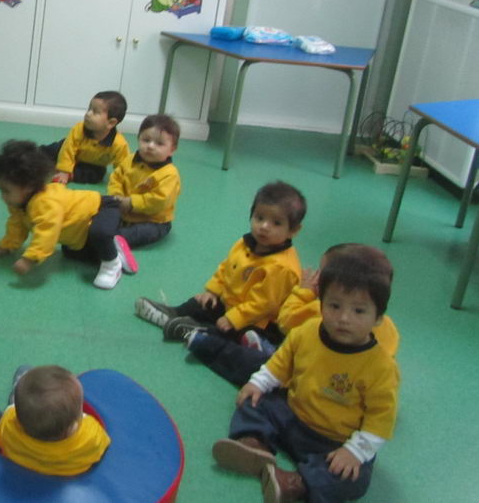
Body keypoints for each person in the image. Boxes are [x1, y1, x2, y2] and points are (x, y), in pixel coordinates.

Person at [211, 252, 399, 501]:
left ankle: (295, 483)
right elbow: (280, 363)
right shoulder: (307, 331)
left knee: (355, 478)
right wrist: (259, 382)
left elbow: (380, 420)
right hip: (293, 415)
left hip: (334, 443)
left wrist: (355, 451)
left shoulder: (381, 367)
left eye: (358, 311)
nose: (344, 318)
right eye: (334, 306)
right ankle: (254, 444)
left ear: (378, 319)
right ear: (321, 304)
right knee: (255, 399)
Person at [184, 244, 400, 387]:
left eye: (321, 273)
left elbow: (286, 321)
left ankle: (206, 344)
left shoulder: (325, 312)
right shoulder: (387, 326)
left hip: (308, 382)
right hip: (345, 387)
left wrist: (304, 291)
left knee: (254, 364)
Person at [135, 181, 304, 341]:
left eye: (276, 223)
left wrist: (234, 318)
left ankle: (197, 331)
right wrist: (212, 292)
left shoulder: (282, 268)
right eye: (260, 218)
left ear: (293, 230)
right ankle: (173, 313)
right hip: (228, 303)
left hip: (257, 322)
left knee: (230, 332)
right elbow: (226, 268)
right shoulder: (245, 243)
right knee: (199, 303)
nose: (264, 227)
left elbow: (263, 305)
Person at [0, 140, 133, 290]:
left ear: (28, 187)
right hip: (81, 230)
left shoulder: (45, 203)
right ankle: (115, 249)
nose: (2, 197)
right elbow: (17, 225)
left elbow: (47, 232)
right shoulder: (20, 204)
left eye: (6, 191)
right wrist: (6, 246)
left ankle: (112, 265)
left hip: (102, 208)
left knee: (99, 233)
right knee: (71, 252)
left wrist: (29, 259)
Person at [0, 365, 110, 476]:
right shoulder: (91, 438)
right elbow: (104, 446)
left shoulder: (8, 425)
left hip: (18, 466)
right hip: (66, 477)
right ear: (72, 426)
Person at [107, 113, 181, 251]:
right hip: (123, 211)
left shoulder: (169, 174)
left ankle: (115, 247)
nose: (151, 146)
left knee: (131, 235)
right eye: (146, 140)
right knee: (99, 216)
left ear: (172, 150)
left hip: (154, 221)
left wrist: (131, 203)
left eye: (159, 143)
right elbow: (116, 178)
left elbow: (159, 201)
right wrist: (116, 195)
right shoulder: (130, 160)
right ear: (138, 138)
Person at [41, 91, 131, 184]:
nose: (88, 114)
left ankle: (69, 173)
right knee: (49, 152)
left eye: (95, 112)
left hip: (92, 164)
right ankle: (44, 161)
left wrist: (124, 181)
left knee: (96, 175)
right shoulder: (79, 129)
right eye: (89, 109)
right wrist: (64, 170)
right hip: (66, 150)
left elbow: (123, 165)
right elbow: (67, 150)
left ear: (111, 123)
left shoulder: (119, 144)